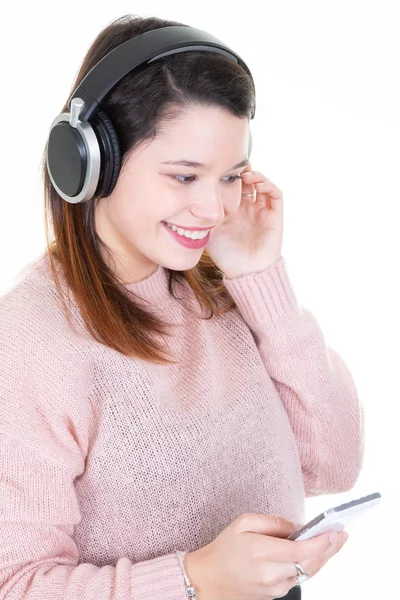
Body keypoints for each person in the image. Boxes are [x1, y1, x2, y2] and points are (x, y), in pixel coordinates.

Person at [0, 13, 364, 600]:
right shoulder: (31, 343)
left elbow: (334, 465)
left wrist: (261, 281)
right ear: (92, 161)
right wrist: (194, 580)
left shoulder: (227, 293)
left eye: (230, 177)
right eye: (185, 175)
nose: (215, 210)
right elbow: (16, 585)